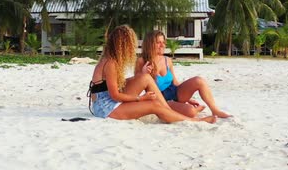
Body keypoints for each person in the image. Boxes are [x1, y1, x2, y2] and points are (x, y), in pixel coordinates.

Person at [88, 25, 216, 124]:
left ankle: (169, 112)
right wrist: (140, 99)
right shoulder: (110, 63)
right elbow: (115, 95)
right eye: (129, 45)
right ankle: (194, 121)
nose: (131, 48)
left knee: (145, 77)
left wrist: (140, 77)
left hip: (108, 100)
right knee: (154, 105)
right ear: (121, 46)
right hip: (105, 107)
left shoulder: (111, 59)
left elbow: (114, 86)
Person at [135, 30, 232, 118]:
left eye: (163, 42)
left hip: (175, 91)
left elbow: (175, 82)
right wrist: (143, 74)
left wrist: (188, 98)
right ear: (150, 44)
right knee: (191, 112)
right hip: (161, 99)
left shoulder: (167, 60)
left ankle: (215, 110)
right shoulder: (142, 61)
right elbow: (136, 88)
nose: (163, 45)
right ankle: (192, 109)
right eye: (158, 43)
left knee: (199, 80)